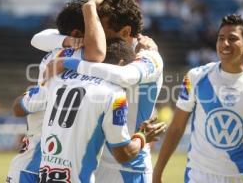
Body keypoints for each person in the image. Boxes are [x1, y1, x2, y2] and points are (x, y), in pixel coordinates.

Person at [31, 0, 164, 183]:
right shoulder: (92, 52)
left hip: (128, 168)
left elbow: (124, 76)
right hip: (94, 164)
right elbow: (40, 37)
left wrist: (68, 63)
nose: (93, 33)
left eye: (100, 27)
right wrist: (68, 41)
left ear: (125, 32)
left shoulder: (149, 56)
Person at [13, 37, 164, 183]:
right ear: (121, 63)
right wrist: (143, 136)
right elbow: (122, 154)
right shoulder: (114, 94)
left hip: (46, 176)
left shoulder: (59, 80)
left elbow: (18, 107)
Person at [153, 14, 243, 183]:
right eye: (221, 38)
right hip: (198, 176)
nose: (224, 44)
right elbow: (176, 128)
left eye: (232, 39)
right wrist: (157, 172)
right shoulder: (196, 77)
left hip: (242, 177)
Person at [6, 0, 108, 183]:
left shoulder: (60, 49)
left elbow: (39, 38)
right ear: (79, 32)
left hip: (44, 167)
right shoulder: (81, 53)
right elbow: (97, 53)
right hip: (34, 168)